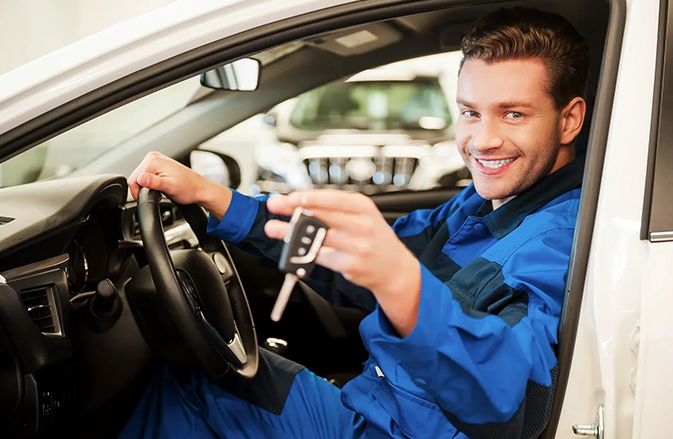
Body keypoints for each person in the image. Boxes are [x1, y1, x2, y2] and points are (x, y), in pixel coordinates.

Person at [122, 7, 589, 438]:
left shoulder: (561, 240)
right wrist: (215, 197)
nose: (482, 141)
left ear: (568, 121)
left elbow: (508, 402)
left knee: (189, 390)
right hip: (372, 405)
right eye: (470, 112)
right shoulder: (478, 205)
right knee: (193, 375)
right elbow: (357, 251)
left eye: (513, 114)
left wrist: (402, 283)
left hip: (395, 430)